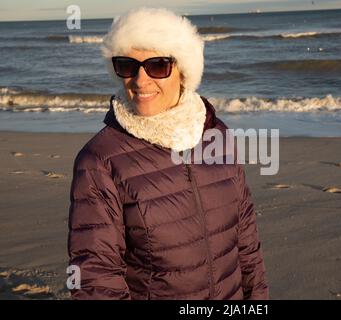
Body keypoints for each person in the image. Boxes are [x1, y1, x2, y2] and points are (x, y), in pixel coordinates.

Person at [67, 7, 269, 300]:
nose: (140, 80)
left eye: (157, 65)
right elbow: (95, 276)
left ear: (183, 70)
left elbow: (247, 241)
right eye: (126, 65)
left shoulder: (216, 134)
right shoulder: (99, 161)